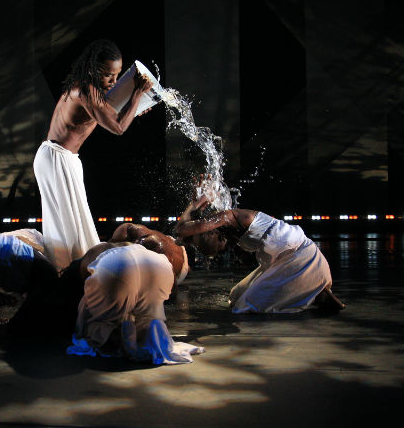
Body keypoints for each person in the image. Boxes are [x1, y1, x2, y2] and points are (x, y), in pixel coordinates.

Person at [34, 39, 153, 270]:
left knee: (75, 225)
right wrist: (137, 93)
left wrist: (136, 107)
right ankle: (67, 277)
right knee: (68, 228)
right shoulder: (85, 90)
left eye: (117, 75)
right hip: (56, 157)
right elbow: (118, 127)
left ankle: (71, 274)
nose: (113, 81)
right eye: (108, 75)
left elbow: (113, 115)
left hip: (63, 158)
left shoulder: (93, 91)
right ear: (92, 70)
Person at [174, 194, 346, 313]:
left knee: (246, 306)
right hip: (282, 260)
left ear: (213, 231)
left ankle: (315, 291)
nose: (222, 250)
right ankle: (312, 290)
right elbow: (190, 237)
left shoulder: (231, 217)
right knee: (235, 296)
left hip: (301, 258)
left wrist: (195, 204)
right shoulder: (229, 233)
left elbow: (181, 229)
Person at [60, 236, 202, 365]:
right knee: (147, 317)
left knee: (93, 311)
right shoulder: (128, 245)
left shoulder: (87, 259)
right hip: (159, 265)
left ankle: (121, 338)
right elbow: (173, 292)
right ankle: (146, 333)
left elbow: (95, 294)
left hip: (116, 266)